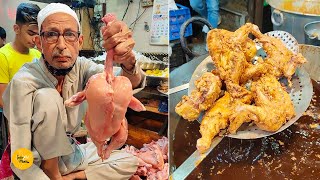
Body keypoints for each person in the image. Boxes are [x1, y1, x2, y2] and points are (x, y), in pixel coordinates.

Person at [3, 3, 145, 180]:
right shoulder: (23, 81)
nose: (61, 45)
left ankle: (73, 177)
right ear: (39, 42)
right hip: (37, 162)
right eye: (51, 35)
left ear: (79, 41)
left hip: (71, 152)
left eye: (69, 35)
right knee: (48, 96)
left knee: (130, 160)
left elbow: (122, 83)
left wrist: (128, 61)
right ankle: (53, 173)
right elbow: (20, 156)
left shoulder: (83, 68)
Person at [0, 3, 41, 108]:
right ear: (16, 29)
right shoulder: (3, 56)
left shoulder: (38, 54)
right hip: (15, 119)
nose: (35, 39)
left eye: (38, 34)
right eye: (31, 33)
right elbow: (2, 100)